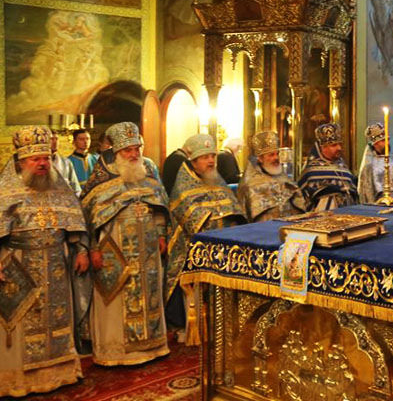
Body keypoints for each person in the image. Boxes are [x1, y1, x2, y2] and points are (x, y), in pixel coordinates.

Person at [0, 126, 89, 397]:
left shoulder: (60, 189)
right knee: (21, 324)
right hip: (19, 266)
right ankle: (20, 381)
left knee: (58, 319)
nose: (42, 163)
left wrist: (82, 250)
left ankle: (61, 373)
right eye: (35, 159)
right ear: (21, 162)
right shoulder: (6, 192)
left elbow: (75, 223)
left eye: (46, 158)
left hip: (56, 264)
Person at [79, 122, 170, 366]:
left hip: (148, 247)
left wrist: (161, 234)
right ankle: (117, 352)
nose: (133, 154)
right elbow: (87, 218)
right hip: (115, 248)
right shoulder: (101, 182)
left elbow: (160, 206)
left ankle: (153, 345)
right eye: (128, 150)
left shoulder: (148, 174)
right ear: (116, 152)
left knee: (150, 294)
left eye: (136, 148)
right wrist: (93, 249)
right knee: (116, 297)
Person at [164, 134, 245, 340]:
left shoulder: (217, 180)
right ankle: (193, 329)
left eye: (212, 156)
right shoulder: (183, 185)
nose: (210, 161)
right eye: (205, 157)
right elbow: (190, 219)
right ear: (193, 161)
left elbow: (234, 208)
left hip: (222, 250)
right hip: (192, 251)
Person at [237, 130, 305, 222]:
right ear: (260, 158)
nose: (276, 158)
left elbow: (299, 205)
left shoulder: (286, 179)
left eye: (277, 154)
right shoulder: (250, 184)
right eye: (271, 155)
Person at [298, 123, 358, 211]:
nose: (339, 148)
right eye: (334, 145)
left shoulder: (344, 168)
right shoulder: (311, 171)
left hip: (347, 215)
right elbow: (302, 199)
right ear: (322, 148)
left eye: (340, 144)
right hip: (321, 217)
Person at [357, 122, 393, 203]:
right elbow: (367, 192)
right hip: (378, 204)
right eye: (383, 141)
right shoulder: (369, 165)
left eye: (388, 140)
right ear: (375, 144)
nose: (387, 143)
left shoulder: (392, 161)